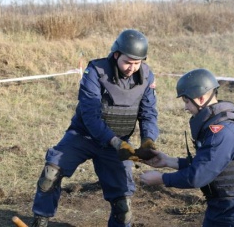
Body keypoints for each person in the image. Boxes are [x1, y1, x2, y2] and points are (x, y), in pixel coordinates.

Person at [31, 29, 159, 227]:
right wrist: (115, 141)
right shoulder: (95, 71)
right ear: (116, 54)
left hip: (118, 143)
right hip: (83, 136)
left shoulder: (147, 77)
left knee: (123, 204)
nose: (131, 68)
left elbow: (148, 113)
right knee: (51, 174)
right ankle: (40, 219)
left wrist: (148, 141)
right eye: (127, 62)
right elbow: (90, 115)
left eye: (137, 63)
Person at [140, 68, 234, 226]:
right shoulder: (218, 125)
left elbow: (199, 175)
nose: (186, 108)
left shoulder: (223, 132)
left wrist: (161, 179)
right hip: (223, 209)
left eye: (187, 101)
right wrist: (169, 161)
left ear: (201, 99)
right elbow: (209, 163)